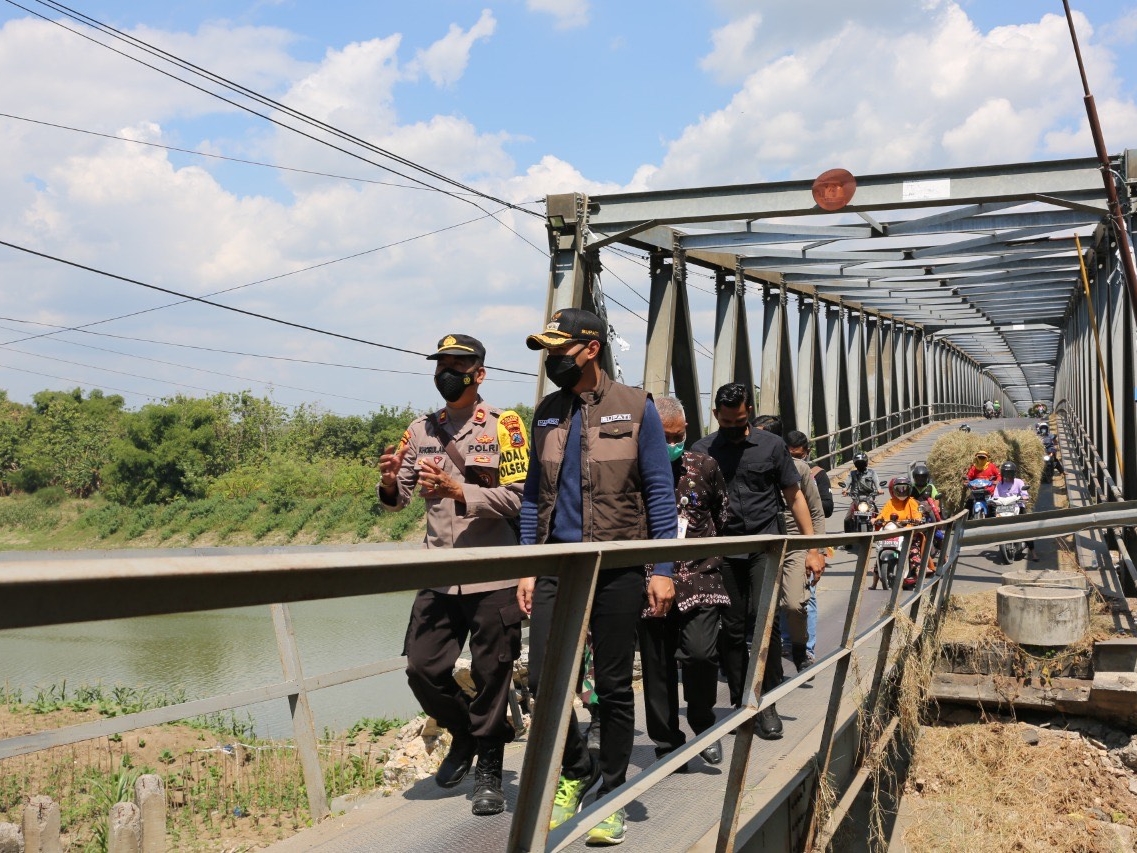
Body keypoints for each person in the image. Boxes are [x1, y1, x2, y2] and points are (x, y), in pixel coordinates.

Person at [517, 308, 677, 845]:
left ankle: (610, 790)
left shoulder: (636, 408)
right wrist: (527, 566)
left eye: (558, 350)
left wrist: (661, 568)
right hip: (558, 567)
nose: (551, 359)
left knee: (611, 685)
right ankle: (576, 768)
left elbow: (659, 492)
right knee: (543, 681)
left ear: (590, 348)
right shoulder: (546, 413)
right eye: (547, 351)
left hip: (617, 566)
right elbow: (531, 499)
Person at [378, 334, 529, 817]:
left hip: (493, 574)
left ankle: (489, 768)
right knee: (421, 668)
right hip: (439, 572)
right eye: (440, 365)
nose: (447, 374)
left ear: (478, 374)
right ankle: (464, 732)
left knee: (491, 675)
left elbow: (521, 498)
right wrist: (387, 482)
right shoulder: (420, 429)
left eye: (457, 366)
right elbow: (399, 497)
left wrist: (458, 490)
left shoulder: (505, 426)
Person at [690, 384, 825, 740]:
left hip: (766, 546)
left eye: (740, 419)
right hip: (725, 550)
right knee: (733, 630)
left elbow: (794, 497)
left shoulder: (772, 446)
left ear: (749, 412)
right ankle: (740, 701)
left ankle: (766, 702)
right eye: (727, 420)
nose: (733, 425)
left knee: (764, 622)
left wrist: (813, 548)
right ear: (716, 414)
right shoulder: (702, 451)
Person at [638, 396, 732, 771]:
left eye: (677, 436)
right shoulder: (633, 470)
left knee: (700, 654)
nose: (672, 444)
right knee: (656, 666)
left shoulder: (704, 466)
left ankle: (703, 723)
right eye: (664, 437)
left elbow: (722, 515)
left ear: (687, 430)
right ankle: (667, 744)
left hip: (700, 577)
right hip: (650, 580)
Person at [760, 419, 826, 673]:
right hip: (765, 543)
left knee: (794, 603)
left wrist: (816, 551)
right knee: (765, 607)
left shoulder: (799, 469)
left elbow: (817, 513)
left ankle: (800, 647)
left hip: (797, 544)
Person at [784, 430, 832, 666]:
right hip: (778, 542)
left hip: (803, 542)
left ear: (807, 453)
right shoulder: (775, 468)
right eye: (791, 455)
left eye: (799, 456)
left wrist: (817, 550)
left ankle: (807, 648)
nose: (795, 460)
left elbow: (822, 509)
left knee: (806, 598)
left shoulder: (815, 475)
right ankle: (787, 642)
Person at [870, 476, 926, 590]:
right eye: (899, 489)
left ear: (909, 489)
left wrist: (917, 520)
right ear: (894, 490)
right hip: (892, 531)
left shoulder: (912, 502)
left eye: (904, 488)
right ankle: (874, 583)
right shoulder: (890, 502)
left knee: (914, 553)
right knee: (879, 554)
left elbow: (917, 515)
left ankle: (917, 579)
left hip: (908, 532)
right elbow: (883, 514)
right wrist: (876, 519)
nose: (902, 491)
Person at [994, 461, 1038, 561]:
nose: (1007, 476)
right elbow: (996, 495)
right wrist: (993, 500)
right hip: (1004, 508)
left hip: (1018, 506)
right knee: (996, 522)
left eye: (1009, 473)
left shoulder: (1019, 482)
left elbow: (1024, 492)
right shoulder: (999, 484)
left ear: (1013, 473)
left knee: (1025, 529)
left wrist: (1024, 496)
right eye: (1005, 473)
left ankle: (1033, 553)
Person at [843, 451, 882, 533]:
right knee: (847, 519)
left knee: (879, 518)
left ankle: (880, 537)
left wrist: (879, 489)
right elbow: (847, 483)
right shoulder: (852, 474)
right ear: (855, 464)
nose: (860, 465)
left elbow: (877, 483)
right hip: (856, 500)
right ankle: (848, 543)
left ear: (866, 463)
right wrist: (845, 490)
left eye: (862, 463)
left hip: (869, 499)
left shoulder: (872, 473)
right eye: (858, 463)